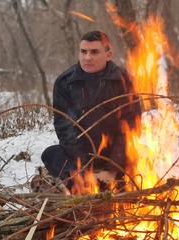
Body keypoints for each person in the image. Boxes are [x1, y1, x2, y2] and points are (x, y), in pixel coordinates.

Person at [41, 30, 141, 193]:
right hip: (80, 157)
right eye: (83, 51)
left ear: (108, 55)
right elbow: (65, 129)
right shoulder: (65, 82)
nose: (87, 57)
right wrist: (85, 170)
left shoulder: (124, 80)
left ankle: (111, 185)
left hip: (115, 155)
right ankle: (86, 185)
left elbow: (131, 126)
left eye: (94, 52)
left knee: (137, 153)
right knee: (51, 154)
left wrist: (112, 168)